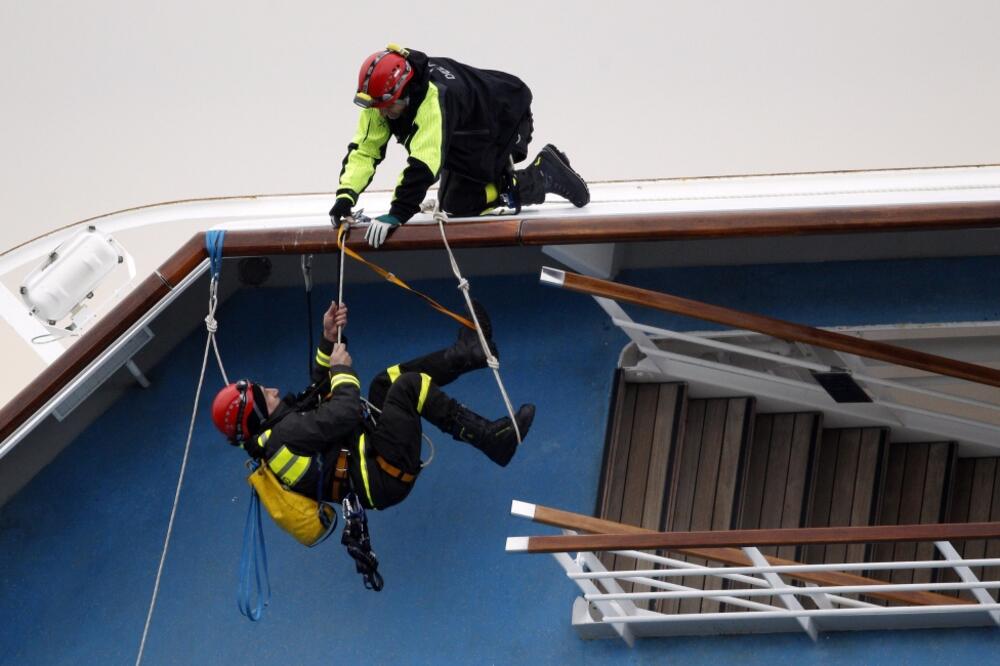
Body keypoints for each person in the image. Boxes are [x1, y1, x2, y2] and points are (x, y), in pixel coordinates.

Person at [210, 301, 535, 511]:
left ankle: (468, 353)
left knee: (385, 382)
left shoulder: (278, 432)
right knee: (408, 387)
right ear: (256, 413)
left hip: (374, 456)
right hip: (383, 472)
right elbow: (345, 411)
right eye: (263, 393)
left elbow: (317, 390)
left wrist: (328, 339)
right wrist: (341, 370)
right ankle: (491, 439)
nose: (273, 389)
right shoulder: (284, 434)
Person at [328, 44, 591, 248]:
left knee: (461, 204)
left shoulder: (434, 100)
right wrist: (345, 197)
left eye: (387, 107)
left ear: (404, 92)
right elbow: (365, 150)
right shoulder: (381, 100)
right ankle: (520, 177)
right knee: (452, 200)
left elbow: (424, 163)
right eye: (377, 108)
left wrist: (397, 214)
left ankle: (542, 175)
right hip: (465, 129)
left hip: (505, 120)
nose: (382, 114)